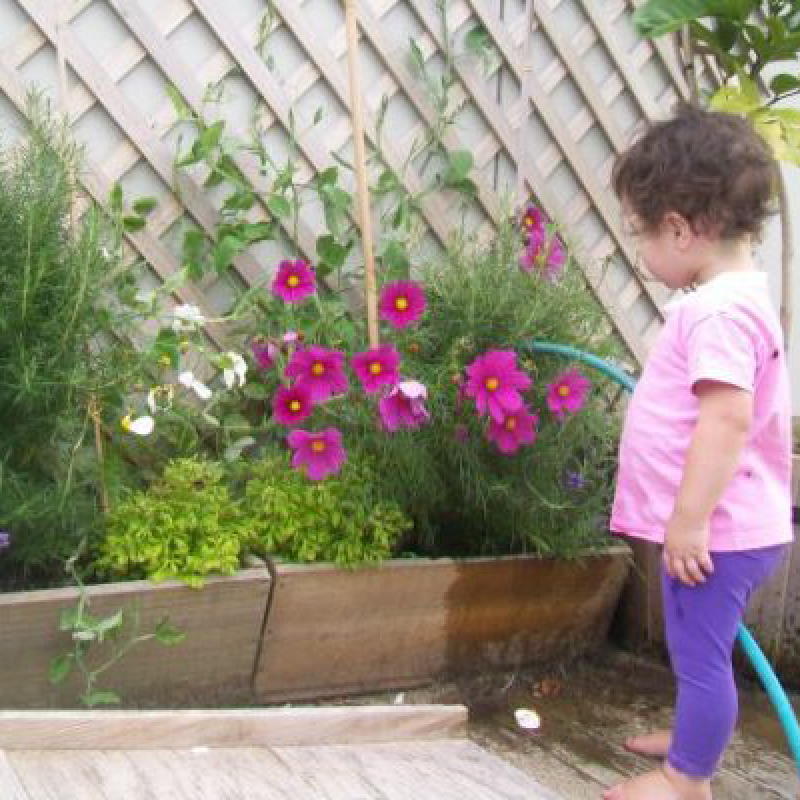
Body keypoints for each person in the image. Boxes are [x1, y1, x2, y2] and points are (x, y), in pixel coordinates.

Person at [606, 105, 793, 800]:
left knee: (702, 655)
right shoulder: (736, 297)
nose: (643, 251)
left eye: (641, 233)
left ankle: (688, 777)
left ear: (680, 229)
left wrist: (688, 521)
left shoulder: (715, 313)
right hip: (727, 524)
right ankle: (695, 733)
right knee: (697, 649)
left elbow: (725, 419)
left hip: (717, 530)